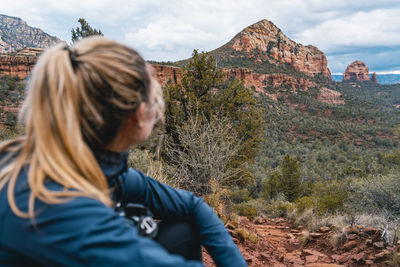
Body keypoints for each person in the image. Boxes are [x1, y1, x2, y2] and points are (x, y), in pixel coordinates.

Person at [0, 37, 247, 266]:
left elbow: (193, 205)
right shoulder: (56, 206)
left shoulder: (84, 164)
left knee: (182, 229)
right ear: (139, 115)